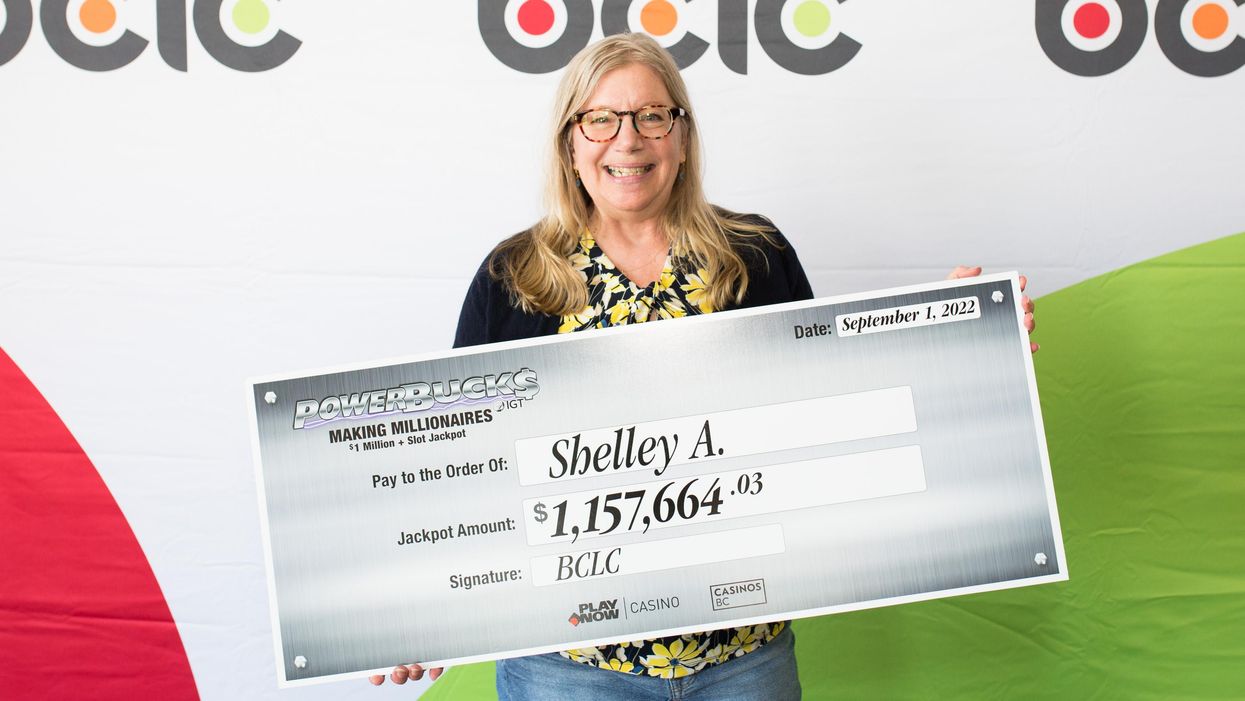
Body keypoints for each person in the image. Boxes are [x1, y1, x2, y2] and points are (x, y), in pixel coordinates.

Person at [371, 32, 1036, 700]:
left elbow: (829, 412)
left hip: (743, 660)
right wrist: (423, 607)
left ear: (682, 137)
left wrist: (954, 340)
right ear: (570, 142)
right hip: (567, 666)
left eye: (651, 116)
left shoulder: (753, 255)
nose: (628, 140)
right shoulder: (514, 275)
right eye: (600, 119)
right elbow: (460, 461)